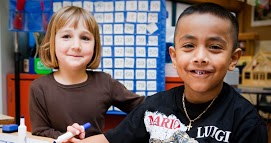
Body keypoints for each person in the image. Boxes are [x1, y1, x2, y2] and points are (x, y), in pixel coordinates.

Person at [66, 2, 268, 143]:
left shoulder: (246, 122)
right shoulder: (155, 106)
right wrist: (73, 139)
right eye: (189, 45)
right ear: (174, 56)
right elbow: (111, 139)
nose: (200, 57)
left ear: (233, 59)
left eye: (214, 47)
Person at [29, 6, 145, 139]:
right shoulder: (39, 88)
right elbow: (40, 131)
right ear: (52, 43)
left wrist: (116, 136)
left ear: (95, 46)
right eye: (66, 36)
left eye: (85, 38)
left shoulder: (105, 82)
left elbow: (144, 107)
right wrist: (67, 137)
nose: (76, 46)